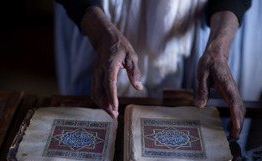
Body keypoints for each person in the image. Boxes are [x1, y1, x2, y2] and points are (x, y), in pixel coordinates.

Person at [54, 0, 251, 140]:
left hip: (191, 26)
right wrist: (102, 32)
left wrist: (219, 48)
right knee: (97, 129)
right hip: (98, 15)